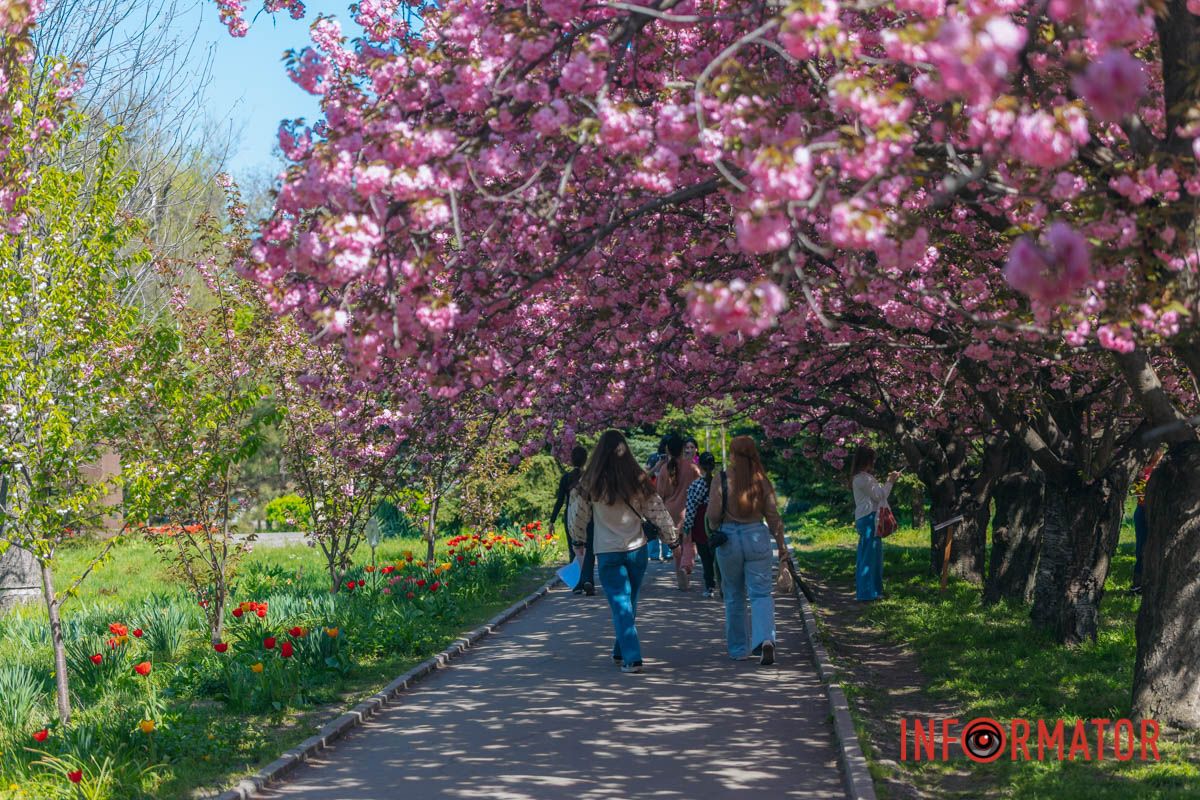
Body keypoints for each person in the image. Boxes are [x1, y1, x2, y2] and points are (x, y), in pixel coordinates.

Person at [570, 430, 677, 674]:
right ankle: (621, 651)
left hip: (607, 551)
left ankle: (632, 657)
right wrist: (672, 538)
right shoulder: (637, 478)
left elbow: (578, 515)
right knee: (628, 603)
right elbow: (656, 510)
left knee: (622, 603)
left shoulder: (591, 481)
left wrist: (578, 539)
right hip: (636, 549)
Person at [705, 436, 791, 665]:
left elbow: (713, 515)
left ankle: (738, 649)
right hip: (757, 536)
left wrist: (715, 528)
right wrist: (782, 549)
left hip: (729, 539)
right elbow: (773, 518)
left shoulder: (722, 478)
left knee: (733, 595)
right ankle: (765, 640)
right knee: (761, 594)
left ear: (733, 454)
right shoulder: (761, 481)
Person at [849, 446, 900, 603]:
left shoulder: (862, 477)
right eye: (873, 459)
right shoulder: (863, 479)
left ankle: (874, 591)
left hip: (868, 518)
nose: (874, 462)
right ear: (867, 460)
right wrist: (890, 482)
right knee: (868, 557)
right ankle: (866, 593)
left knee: (874, 556)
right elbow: (880, 495)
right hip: (869, 518)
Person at [657, 432, 703, 590]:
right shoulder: (692, 468)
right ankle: (685, 569)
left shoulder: (664, 469)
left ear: (668, 451)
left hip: (670, 512)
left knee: (676, 546)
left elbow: (660, 494)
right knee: (688, 543)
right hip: (688, 511)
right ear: (683, 449)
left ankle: (680, 574)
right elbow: (700, 489)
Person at [550, 446, 595, 594]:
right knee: (589, 550)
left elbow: (559, 501)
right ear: (585, 459)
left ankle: (577, 583)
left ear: (571, 460)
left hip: (571, 516)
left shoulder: (566, 478)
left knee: (574, 549)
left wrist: (552, 521)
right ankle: (588, 580)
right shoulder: (590, 478)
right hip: (589, 517)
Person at [682, 451, 719, 598]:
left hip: (701, 525)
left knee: (706, 558)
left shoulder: (695, 486)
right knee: (719, 556)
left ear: (699, 465)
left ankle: (709, 586)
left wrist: (687, 528)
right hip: (717, 523)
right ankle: (723, 584)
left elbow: (690, 509)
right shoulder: (719, 483)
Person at [1131, 449, 1162, 596]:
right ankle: (1138, 584)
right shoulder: (1141, 473)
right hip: (1144, 512)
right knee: (1142, 548)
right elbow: (1140, 497)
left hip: (1156, 512)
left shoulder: (1162, 471)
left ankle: (1152, 582)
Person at [645, 437, 672, 562]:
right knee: (654, 524)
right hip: (653, 495)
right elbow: (645, 476)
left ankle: (668, 551)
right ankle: (654, 553)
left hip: (669, 496)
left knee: (667, 523)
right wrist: (658, 464)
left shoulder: (675, 459)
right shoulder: (653, 458)